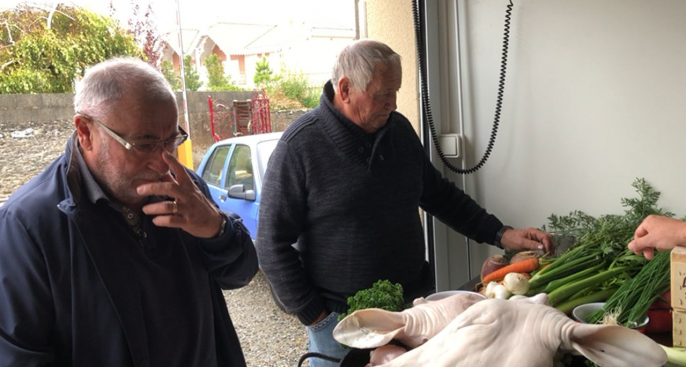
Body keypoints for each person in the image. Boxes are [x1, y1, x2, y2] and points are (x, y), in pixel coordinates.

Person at [256, 39, 554, 366]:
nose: (393, 103)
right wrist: (317, 317)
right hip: (342, 324)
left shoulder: (398, 130)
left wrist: (501, 233)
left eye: (396, 91)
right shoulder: (299, 147)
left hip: (416, 312)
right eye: (383, 93)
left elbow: (438, 194)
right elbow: (271, 244)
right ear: (345, 89)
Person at [0, 57, 258, 366]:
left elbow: (241, 274)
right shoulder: (27, 226)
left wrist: (217, 229)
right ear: (85, 131)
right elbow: (20, 355)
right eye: (144, 144)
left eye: (171, 140)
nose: (164, 162)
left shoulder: (185, 188)